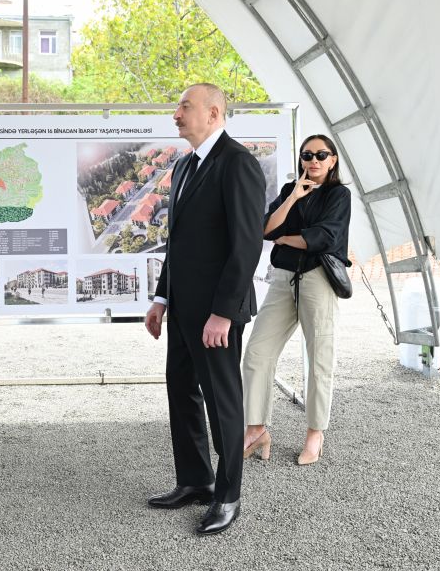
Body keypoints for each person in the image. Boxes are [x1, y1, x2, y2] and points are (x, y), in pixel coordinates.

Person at [145, 83, 266, 536]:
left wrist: (224, 313)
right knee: (181, 389)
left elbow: (246, 244)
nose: (176, 114)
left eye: (185, 106)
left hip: (217, 313)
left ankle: (228, 495)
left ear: (213, 113)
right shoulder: (183, 166)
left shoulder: (238, 163)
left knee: (222, 401)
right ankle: (196, 480)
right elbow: (177, 243)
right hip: (182, 308)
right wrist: (161, 298)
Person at [241, 134, 351, 466]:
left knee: (319, 359)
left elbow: (325, 237)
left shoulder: (339, 195)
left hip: (318, 279)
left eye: (321, 155)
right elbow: (266, 229)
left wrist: (287, 238)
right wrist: (293, 198)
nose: (314, 160)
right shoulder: (291, 189)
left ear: (332, 160)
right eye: (307, 155)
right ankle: (256, 429)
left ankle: (315, 433)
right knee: (257, 352)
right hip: (282, 280)